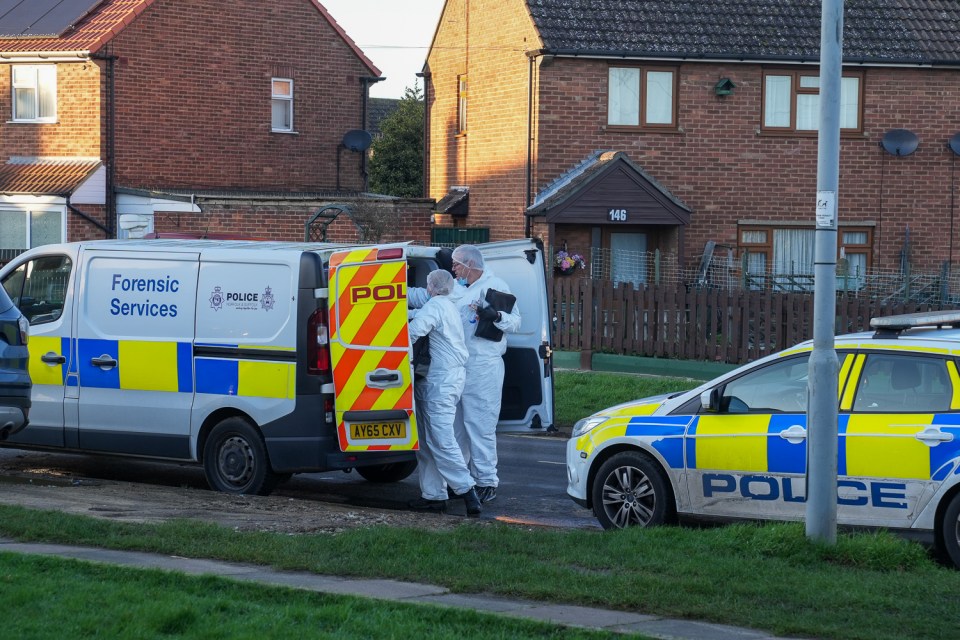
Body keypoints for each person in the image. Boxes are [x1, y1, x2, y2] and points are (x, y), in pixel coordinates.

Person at [449, 244, 521, 504]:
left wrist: (496, 314)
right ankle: (461, 480)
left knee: (480, 424)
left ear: (470, 264)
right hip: (458, 364)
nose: (453, 268)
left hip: (483, 364)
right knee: (457, 426)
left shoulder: (496, 286)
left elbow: (515, 322)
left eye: (457, 264)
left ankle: (486, 480)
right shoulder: (458, 288)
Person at [406, 269, 481, 516]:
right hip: (446, 378)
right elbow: (420, 314)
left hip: (440, 381)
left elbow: (414, 331)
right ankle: (434, 496)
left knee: (440, 438)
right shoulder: (446, 305)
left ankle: (467, 491)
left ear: (431, 287)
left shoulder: (435, 306)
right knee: (427, 441)